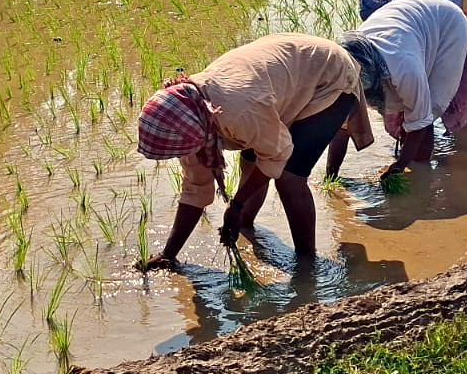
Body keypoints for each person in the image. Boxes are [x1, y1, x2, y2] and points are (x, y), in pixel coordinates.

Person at [135, 33, 371, 269]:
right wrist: (168, 254)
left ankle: (306, 265)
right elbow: (195, 190)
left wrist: (236, 204)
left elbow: (277, 153)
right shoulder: (188, 117)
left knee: (290, 178)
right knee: (250, 164)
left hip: (327, 73)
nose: (179, 156)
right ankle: (245, 224)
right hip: (278, 79)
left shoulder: (238, 112)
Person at [327, 0, 467, 182]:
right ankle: (412, 156)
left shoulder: (405, 69)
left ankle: (423, 171)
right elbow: (342, 127)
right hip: (407, 25)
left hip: (448, 25)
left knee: (429, 105)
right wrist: (331, 175)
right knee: (408, 105)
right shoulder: (348, 65)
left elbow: (422, 119)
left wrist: (401, 165)